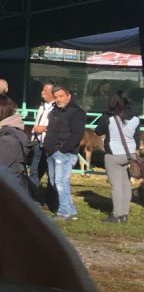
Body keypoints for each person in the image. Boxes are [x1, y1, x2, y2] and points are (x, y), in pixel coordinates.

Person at [44, 84, 87, 221]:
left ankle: (64, 212)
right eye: (56, 97)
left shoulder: (76, 112)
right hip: (52, 150)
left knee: (60, 182)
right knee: (54, 181)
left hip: (64, 152)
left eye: (61, 96)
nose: (58, 99)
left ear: (69, 95)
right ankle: (70, 209)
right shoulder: (55, 110)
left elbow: (77, 134)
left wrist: (63, 149)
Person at [96, 94, 138, 224]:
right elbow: (136, 138)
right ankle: (125, 213)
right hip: (130, 154)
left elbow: (98, 132)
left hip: (113, 155)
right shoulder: (135, 118)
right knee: (126, 184)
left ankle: (116, 214)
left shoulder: (108, 118)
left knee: (116, 186)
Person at [29, 82, 56, 199]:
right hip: (38, 143)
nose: (42, 93)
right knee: (34, 170)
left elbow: (60, 126)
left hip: (50, 144)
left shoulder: (57, 108)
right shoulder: (42, 107)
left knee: (52, 173)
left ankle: (51, 199)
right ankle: (31, 195)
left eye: (44, 90)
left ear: (52, 92)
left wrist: (44, 128)